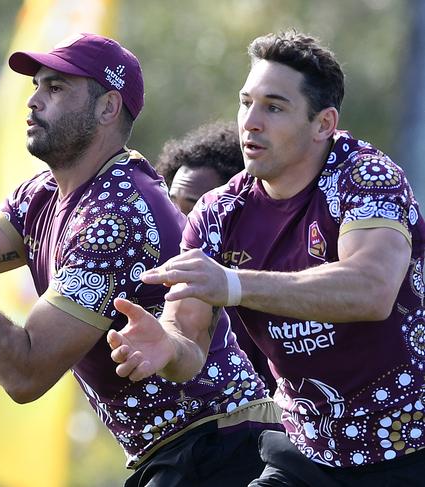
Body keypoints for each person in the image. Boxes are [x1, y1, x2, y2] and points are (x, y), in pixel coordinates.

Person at [0, 33, 280, 487]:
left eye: (57, 88)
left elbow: (24, 373)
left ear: (107, 108)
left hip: (222, 448)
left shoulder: (116, 218)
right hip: (184, 451)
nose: (35, 101)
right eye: (36, 86)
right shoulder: (43, 195)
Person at [108, 30, 425, 486]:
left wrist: (235, 285)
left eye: (274, 107)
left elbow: (371, 289)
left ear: (323, 124)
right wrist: (167, 347)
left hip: (409, 449)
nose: (250, 122)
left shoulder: (365, 176)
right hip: (304, 455)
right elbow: (189, 344)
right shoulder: (218, 212)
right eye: (245, 102)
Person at [155, 122, 276, 395]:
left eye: (193, 208)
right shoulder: (160, 275)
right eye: (169, 204)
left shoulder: (260, 281)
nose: (178, 221)